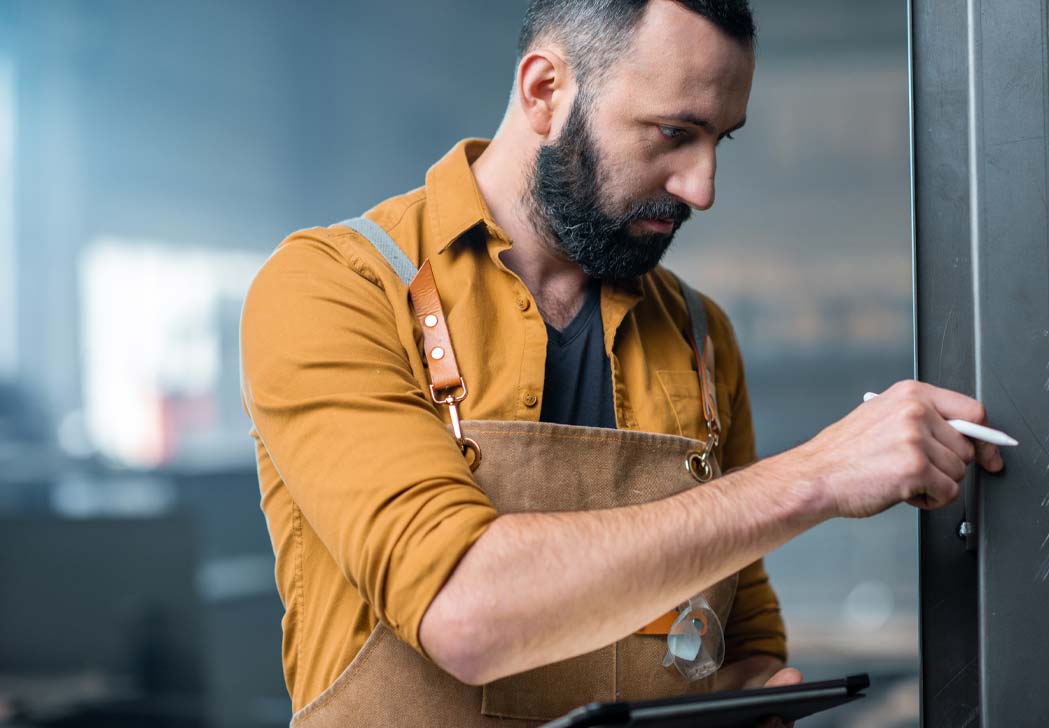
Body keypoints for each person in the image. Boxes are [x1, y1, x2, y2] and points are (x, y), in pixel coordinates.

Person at [239, 1, 1005, 725]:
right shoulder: (334, 289)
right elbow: (466, 614)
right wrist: (820, 474)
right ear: (545, 92)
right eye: (674, 132)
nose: (702, 188)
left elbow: (741, 633)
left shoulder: (700, 336)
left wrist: (752, 691)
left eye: (720, 140)